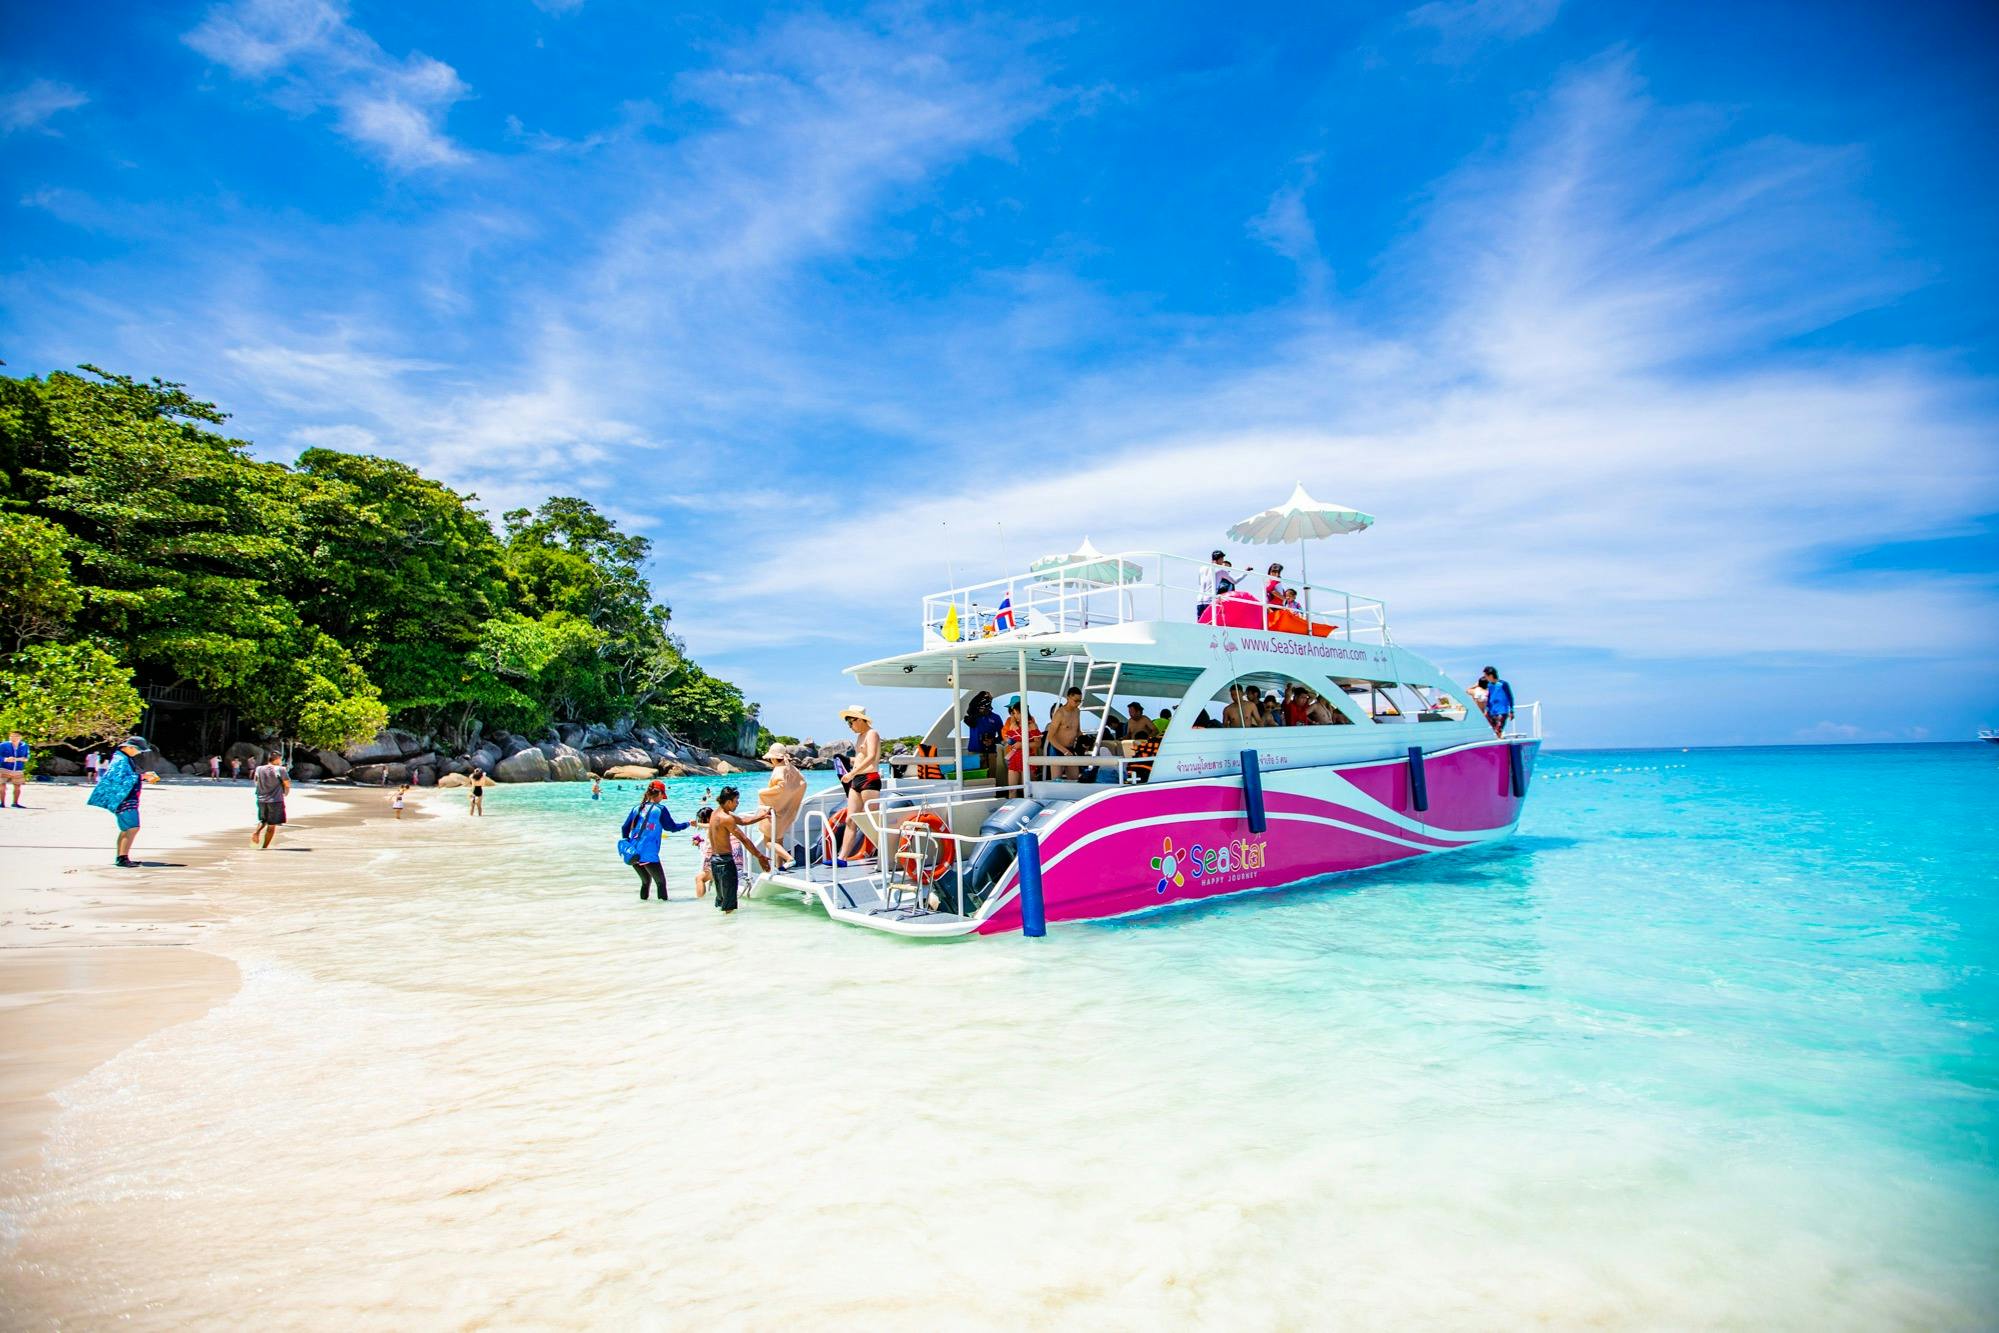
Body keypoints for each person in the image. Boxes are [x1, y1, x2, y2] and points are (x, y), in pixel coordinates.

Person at [87, 736, 160, 867]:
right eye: (139, 750)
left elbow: (125, 777)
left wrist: (142, 777)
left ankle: (122, 856)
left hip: (125, 799)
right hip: (124, 800)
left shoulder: (123, 758)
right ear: (130, 747)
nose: (139, 753)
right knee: (132, 828)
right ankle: (122, 858)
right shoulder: (121, 759)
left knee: (127, 829)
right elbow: (119, 779)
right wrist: (143, 776)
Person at [705, 787, 771, 914]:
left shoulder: (716, 813)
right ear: (729, 801)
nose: (738, 803)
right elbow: (744, 839)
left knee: (722, 902)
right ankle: (730, 932)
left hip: (714, 862)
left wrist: (762, 816)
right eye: (736, 800)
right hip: (725, 863)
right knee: (729, 906)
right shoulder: (726, 818)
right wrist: (760, 856)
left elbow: (743, 821)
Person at [622, 780, 689, 902]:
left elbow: (624, 828)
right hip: (648, 854)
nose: (662, 799)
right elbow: (671, 827)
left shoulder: (636, 808)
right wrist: (687, 824)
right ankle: (662, 913)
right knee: (661, 883)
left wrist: (626, 843)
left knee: (645, 882)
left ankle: (643, 908)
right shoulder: (660, 809)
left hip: (633, 853)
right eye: (662, 796)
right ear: (659, 794)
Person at [836, 705, 882, 861]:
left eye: (850, 722)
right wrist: (846, 760)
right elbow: (861, 758)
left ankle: (884, 853)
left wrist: (852, 773)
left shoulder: (872, 733)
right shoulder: (860, 736)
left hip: (869, 780)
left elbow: (872, 756)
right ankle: (842, 858)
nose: (849, 726)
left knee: (873, 819)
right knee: (851, 819)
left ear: (859, 719)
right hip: (856, 781)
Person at [757, 744, 807, 868]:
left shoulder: (779, 769)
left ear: (773, 758)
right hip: (786, 810)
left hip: (775, 810)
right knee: (778, 840)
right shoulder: (792, 768)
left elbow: (781, 787)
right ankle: (779, 867)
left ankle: (789, 858)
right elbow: (802, 784)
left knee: (768, 841)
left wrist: (762, 792)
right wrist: (790, 799)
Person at [252, 749, 290, 849]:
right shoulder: (281, 769)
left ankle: (256, 832)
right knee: (272, 825)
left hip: (261, 799)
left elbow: (255, 781)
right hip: (275, 800)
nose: (281, 761)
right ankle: (264, 847)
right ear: (277, 759)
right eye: (280, 759)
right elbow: (287, 783)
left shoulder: (259, 768)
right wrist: (286, 792)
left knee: (263, 819)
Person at [964, 691, 1004, 775]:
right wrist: (982, 693)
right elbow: (972, 705)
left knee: (991, 779)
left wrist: (992, 741)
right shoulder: (973, 716)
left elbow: (1002, 737)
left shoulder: (996, 718)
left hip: (991, 753)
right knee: (976, 779)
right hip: (974, 752)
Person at [1196, 549, 1238, 621]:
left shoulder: (1202, 568)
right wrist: (1245, 573)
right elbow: (1235, 581)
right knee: (1210, 624)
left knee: (1200, 623)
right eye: (1222, 560)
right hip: (1209, 600)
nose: (1222, 562)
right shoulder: (1221, 570)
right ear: (1220, 559)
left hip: (1199, 600)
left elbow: (1200, 582)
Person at [1045, 686, 1084, 757]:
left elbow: (1078, 731)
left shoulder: (1077, 711)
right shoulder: (1060, 713)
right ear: (1068, 698)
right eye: (1076, 701)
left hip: (1070, 749)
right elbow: (1050, 737)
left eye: (1080, 701)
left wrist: (1084, 741)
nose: (1078, 704)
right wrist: (1065, 751)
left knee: (1075, 768)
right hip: (1057, 749)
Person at [1481, 666, 1515, 737]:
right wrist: (1487, 709)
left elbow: (1510, 697)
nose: (1485, 678)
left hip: (1502, 711)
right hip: (1492, 711)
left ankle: (1499, 744)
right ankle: (1498, 742)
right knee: (1493, 730)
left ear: (1490, 675)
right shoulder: (1489, 685)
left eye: (1485, 676)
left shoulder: (1503, 684)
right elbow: (1489, 697)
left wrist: (1511, 711)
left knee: (1498, 729)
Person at [0, 730, 28, 808]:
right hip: (4, 768)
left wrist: (20, 759)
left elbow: (26, 757)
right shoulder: (3, 745)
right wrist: (5, 759)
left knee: (17, 786)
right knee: (2, 786)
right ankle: (2, 803)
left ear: (20, 737)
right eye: (11, 736)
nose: (13, 738)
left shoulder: (24, 745)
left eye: (15, 736)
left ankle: (15, 803)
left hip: (18, 769)